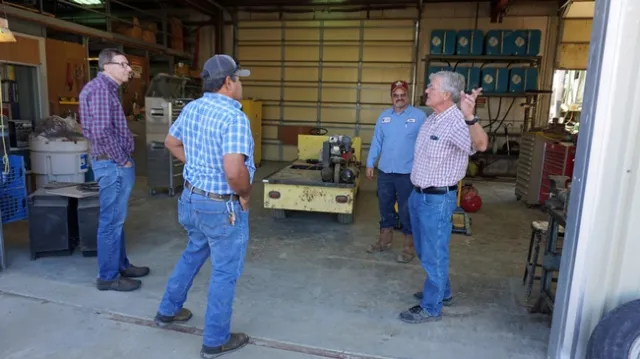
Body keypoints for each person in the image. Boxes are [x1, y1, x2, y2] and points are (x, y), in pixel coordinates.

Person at [154, 54, 255, 359]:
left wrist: (196, 164)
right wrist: (246, 194)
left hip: (191, 200)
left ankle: (167, 311)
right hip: (220, 207)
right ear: (228, 82)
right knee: (224, 272)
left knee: (194, 252)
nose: (240, 85)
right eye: (238, 79)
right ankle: (215, 340)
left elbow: (171, 142)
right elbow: (235, 171)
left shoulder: (193, 108)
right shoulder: (234, 117)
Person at [399, 71, 488, 324]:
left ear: (446, 94)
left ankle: (431, 307)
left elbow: (481, 145)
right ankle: (442, 291)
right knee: (425, 249)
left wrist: (470, 116)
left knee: (433, 253)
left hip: (437, 200)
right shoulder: (432, 119)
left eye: (432, 87)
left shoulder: (458, 122)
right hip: (419, 195)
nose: (427, 90)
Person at [79, 48, 150, 292]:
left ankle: (121, 265)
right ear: (107, 66)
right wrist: (123, 160)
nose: (129, 69)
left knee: (116, 220)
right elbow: (100, 132)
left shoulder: (106, 90)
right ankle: (108, 277)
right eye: (124, 64)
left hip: (112, 163)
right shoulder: (100, 91)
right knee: (111, 221)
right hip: (112, 164)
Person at [365, 80, 427, 263]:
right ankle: (385, 240)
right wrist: (370, 163)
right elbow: (377, 141)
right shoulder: (384, 117)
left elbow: (426, 144)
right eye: (395, 95)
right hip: (385, 172)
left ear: (408, 96)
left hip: (407, 173)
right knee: (385, 206)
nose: (399, 98)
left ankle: (409, 247)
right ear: (391, 97)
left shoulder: (419, 116)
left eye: (403, 95)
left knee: (407, 210)